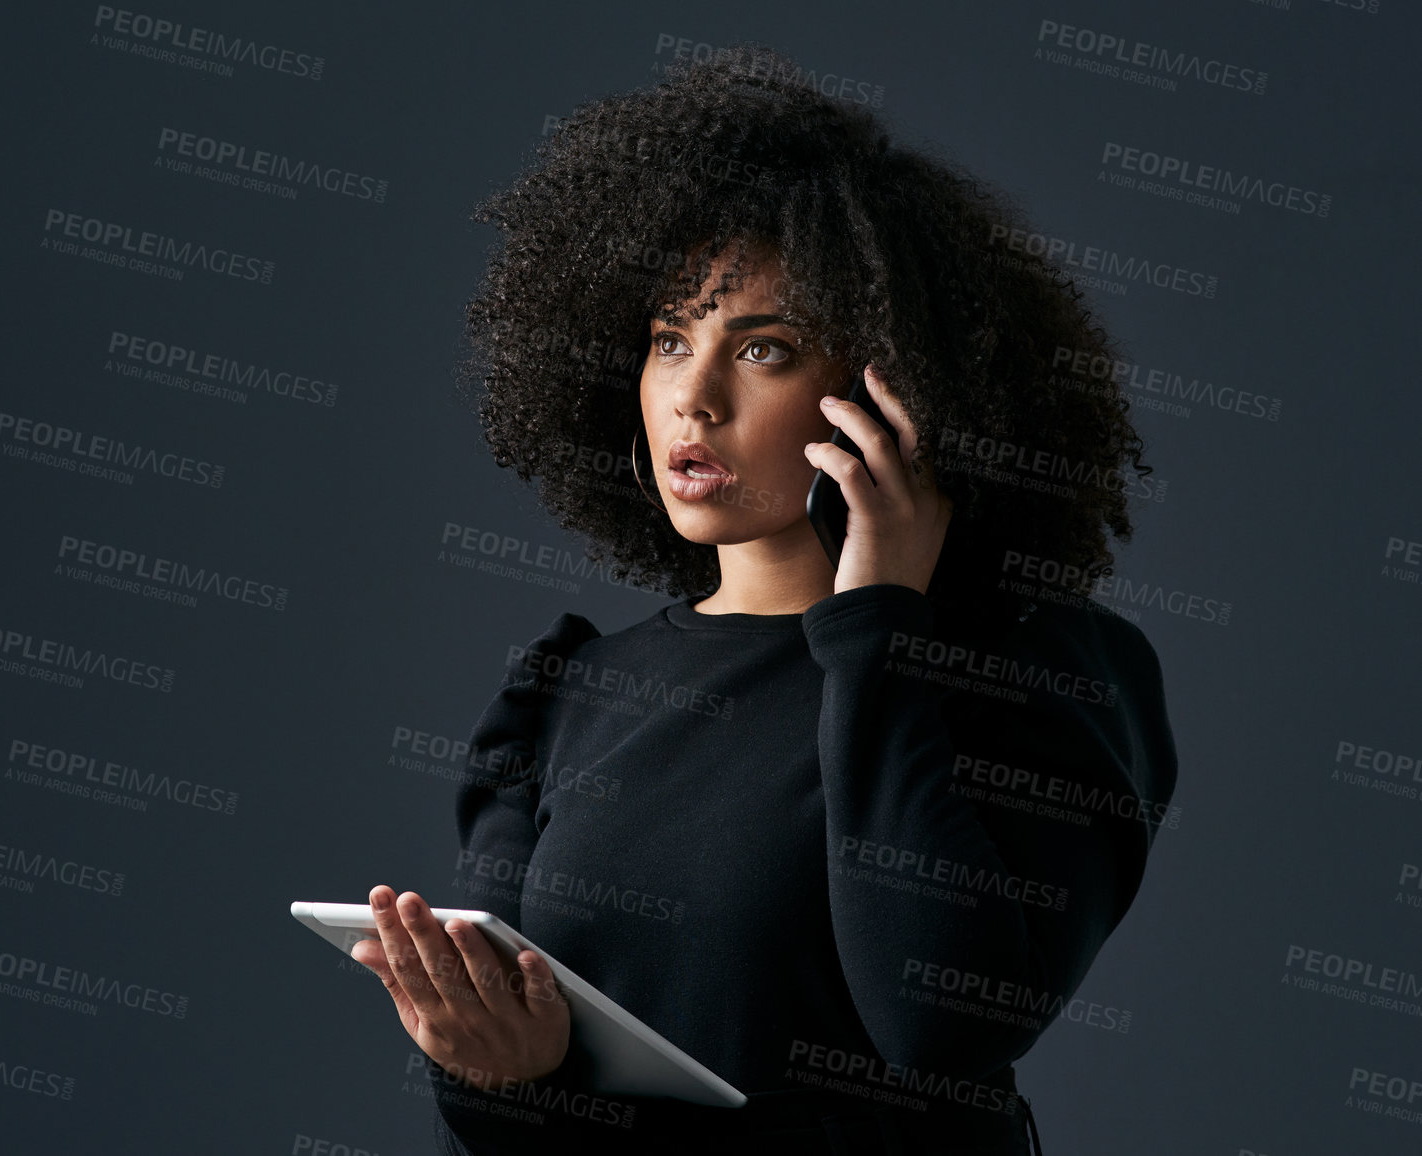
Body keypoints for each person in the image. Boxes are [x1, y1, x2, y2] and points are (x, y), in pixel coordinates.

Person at [351, 42, 1178, 1155]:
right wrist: (497, 1082)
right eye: (667, 340)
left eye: (765, 349)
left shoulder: (1035, 672)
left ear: (895, 386)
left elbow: (937, 1024)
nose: (691, 397)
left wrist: (877, 624)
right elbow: (517, 1104)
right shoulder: (569, 692)